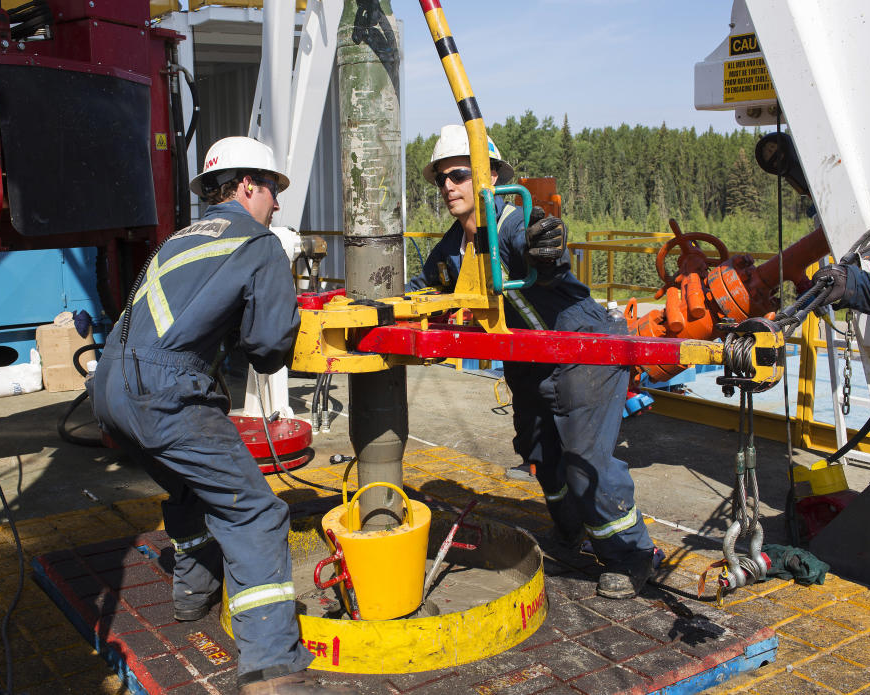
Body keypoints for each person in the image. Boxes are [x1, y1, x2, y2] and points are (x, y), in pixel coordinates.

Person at [88, 137, 347, 694]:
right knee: (254, 514)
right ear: (249, 185)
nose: (277, 204)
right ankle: (271, 670)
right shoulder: (258, 244)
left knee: (191, 488)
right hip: (165, 394)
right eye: (273, 190)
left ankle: (191, 596)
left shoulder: (180, 238)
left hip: (109, 389)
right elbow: (269, 348)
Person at [408, 124, 655, 599]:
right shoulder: (450, 249)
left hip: (583, 350)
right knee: (540, 454)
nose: (448, 187)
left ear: (492, 176)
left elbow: (546, 252)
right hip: (527, 356)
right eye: (442, 178)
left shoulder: (513, 225)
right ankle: (568, 533)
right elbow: (426, 289)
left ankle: (630, 553)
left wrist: (551, 246)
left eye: (458, 174)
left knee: (585, 463)